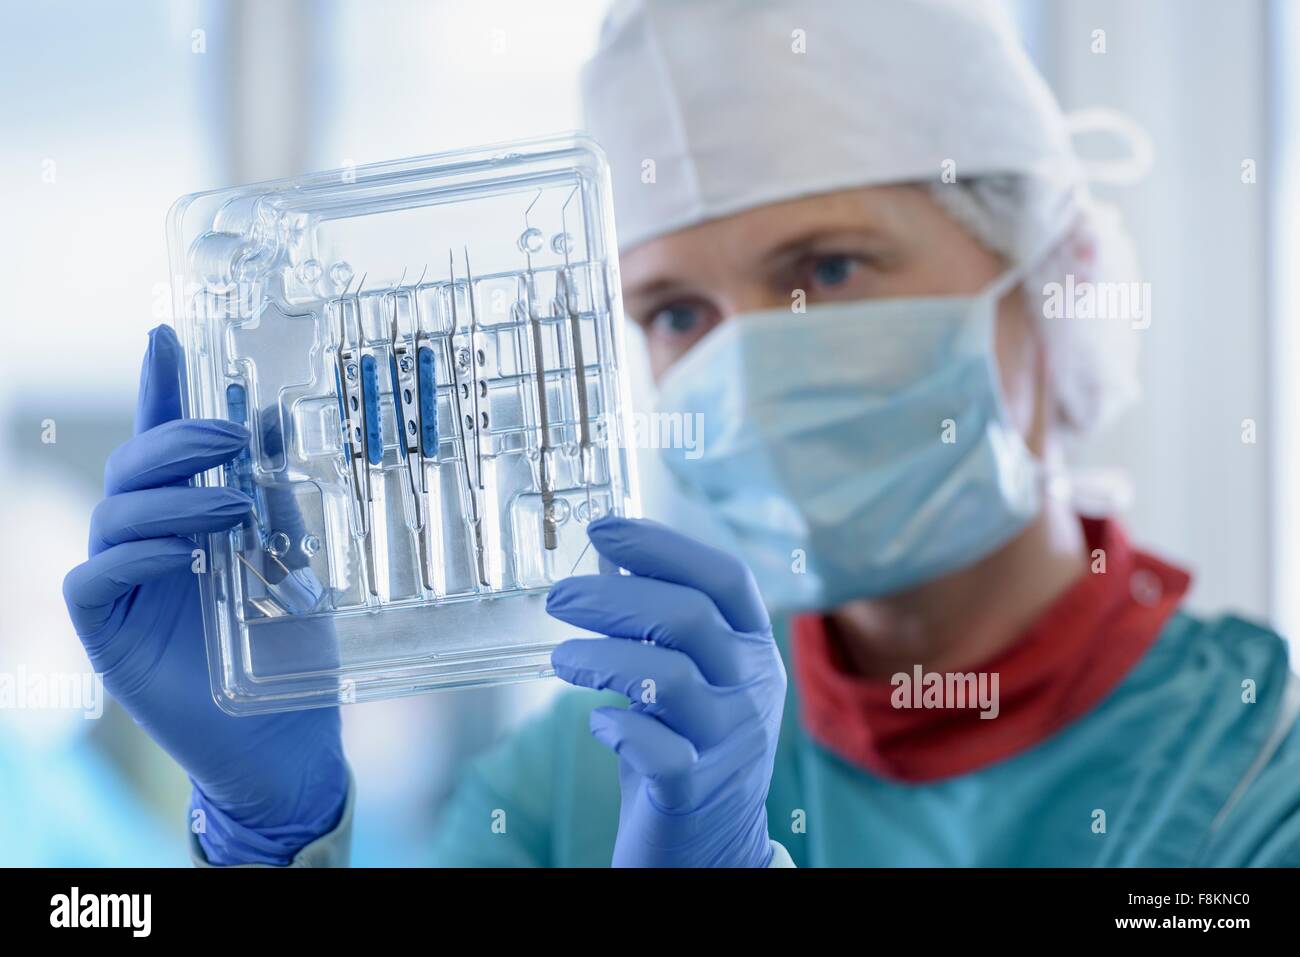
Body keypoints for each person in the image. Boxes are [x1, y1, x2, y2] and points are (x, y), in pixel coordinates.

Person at [63, 0, 1300, 867]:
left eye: (825, 266)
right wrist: (270, 839)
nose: (743, 362)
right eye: (675, 311)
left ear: (1055, 285)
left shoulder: (1258, 777)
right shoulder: (583, 773)